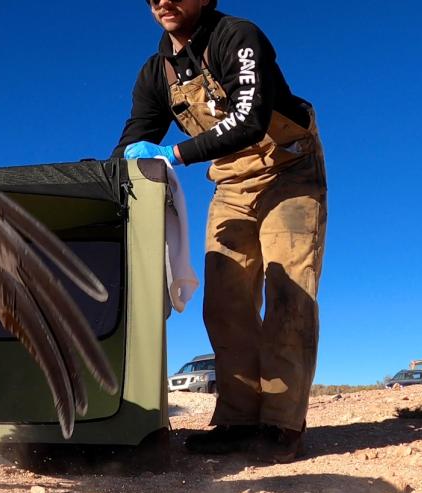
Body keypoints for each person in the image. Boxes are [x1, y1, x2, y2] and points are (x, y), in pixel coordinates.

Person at [112, 0, 327, 462]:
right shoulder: (157, 73)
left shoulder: (237, 36)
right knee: (225, 302)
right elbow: (134, 138)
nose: (162, 1)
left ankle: (282, 426)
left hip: (288, 171)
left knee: (288, 292)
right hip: (230, 181)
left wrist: (174, 155)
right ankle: (237, 420)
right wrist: (114, 172)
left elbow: (250, 118)